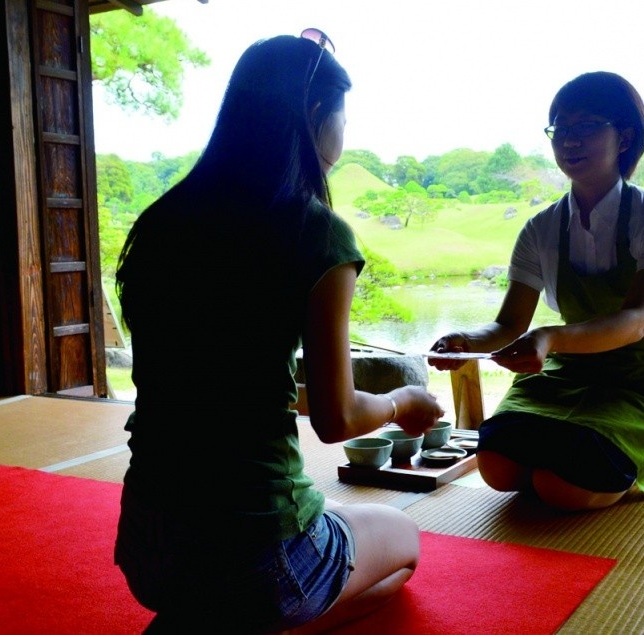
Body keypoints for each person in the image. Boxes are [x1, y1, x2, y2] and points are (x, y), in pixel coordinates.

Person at [111, 30, 444, 634]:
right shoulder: (315, 233)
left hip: (149, 550)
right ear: (317, 115)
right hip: (258, 554)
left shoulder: (161, 222)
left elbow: (224, 382)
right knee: (403, 540)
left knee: (334, 525)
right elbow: (336, 420)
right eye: (342, 117)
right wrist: (401, 404)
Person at [428, 71, 644, 512]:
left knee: (561, 486)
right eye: (560, 130)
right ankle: (612, 461)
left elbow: (638, 321)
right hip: (566, 377)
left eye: (586, 127)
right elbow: (508, 323)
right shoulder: (541, 227)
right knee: (497, 466)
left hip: (642, 381)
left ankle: (642, 465)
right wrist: (465, 342)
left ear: (624, 137)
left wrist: (551, 338)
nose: (569, 141)